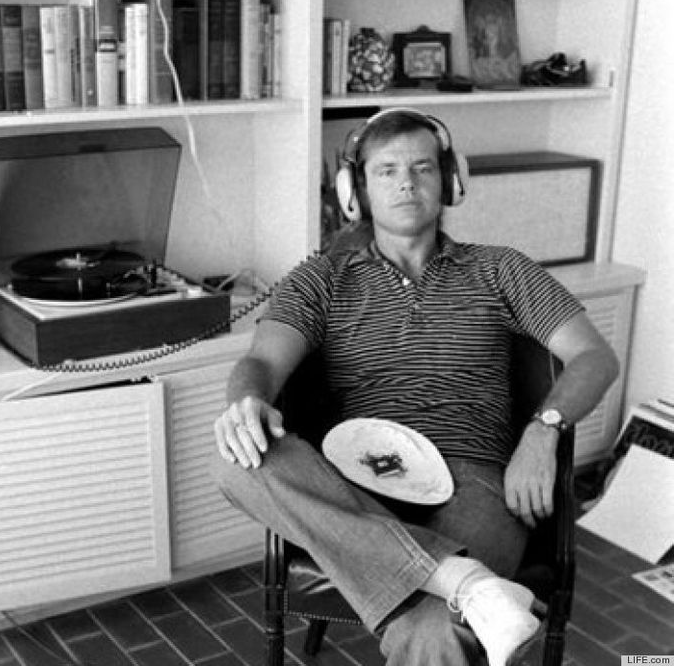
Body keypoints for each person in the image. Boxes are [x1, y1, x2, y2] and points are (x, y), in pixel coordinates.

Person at [211, 108, 619, 666]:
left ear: (450, 182)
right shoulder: (322, 278)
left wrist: (542, 430)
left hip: (474, 478)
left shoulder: (501, 269)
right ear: (355, 192)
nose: (407, 182)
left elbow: (595, 357)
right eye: (387, 171)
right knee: (237, 459)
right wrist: (246, 403)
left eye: (423, 168)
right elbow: (260, 362)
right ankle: (468, 581)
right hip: (354, 475)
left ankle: (456, 587)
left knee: (432, 628)